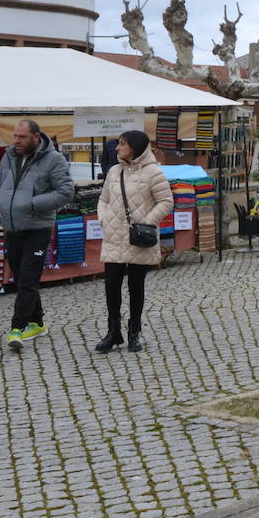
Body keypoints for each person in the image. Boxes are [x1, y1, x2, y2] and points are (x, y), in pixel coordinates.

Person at [0, 119, 74, 349]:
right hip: (12, 226)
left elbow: (66, 192)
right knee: (20, 277)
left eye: (22, 137)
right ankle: (37, 323)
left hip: (38, 228)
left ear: (36, 137)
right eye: (15, 136)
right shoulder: (9, 156)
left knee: (28, 279)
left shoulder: (53, 159)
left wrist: (32, 203)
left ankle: (17, 328)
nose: (16, 141)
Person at [94, 130, 172, 353]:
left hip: (138, 238)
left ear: (135, 147)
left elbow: (166, 201)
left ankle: (134, 332)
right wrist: (104, 220)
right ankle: (113, 333)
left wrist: (147, 222)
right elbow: (103, 200)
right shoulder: (114, 171)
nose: (117, 148)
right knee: (111, 287)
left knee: (136, 287)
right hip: (113, 238)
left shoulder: (153, 172)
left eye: (122, 144)